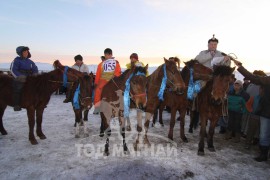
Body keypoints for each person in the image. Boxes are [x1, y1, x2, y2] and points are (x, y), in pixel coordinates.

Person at [233, 59, 270, 162]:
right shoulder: (268, 80)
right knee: (264, 134)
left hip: (265, 112)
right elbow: (252, 77)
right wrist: (240, 67)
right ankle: (263, 154)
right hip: (266, 113)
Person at [93, 48, 121, 114]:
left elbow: (118, 72)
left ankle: (120, 106)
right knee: (98, 90)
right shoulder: (101, 64)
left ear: (111, 55)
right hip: (103, 80)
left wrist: (115, 76)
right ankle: (97, 107)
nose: (107, 56)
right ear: (104, 55)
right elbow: (98, 74)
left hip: (113, 80)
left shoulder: (116, 63)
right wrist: (96, 83)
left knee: (120, 90)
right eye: (106, 55)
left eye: (109, 55)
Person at [10, 46, 38, 111]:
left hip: (30, 78)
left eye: (27, 51)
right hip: (20, 78)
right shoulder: (16, 60)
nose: (26, 53)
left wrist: (34, 75)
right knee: (18, 88)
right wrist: (20, 77)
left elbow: (35, 69)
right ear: (20, 53)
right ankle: (16, 105)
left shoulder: (30, 62)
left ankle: (37, 102)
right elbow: (13, 70)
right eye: (24, 51)